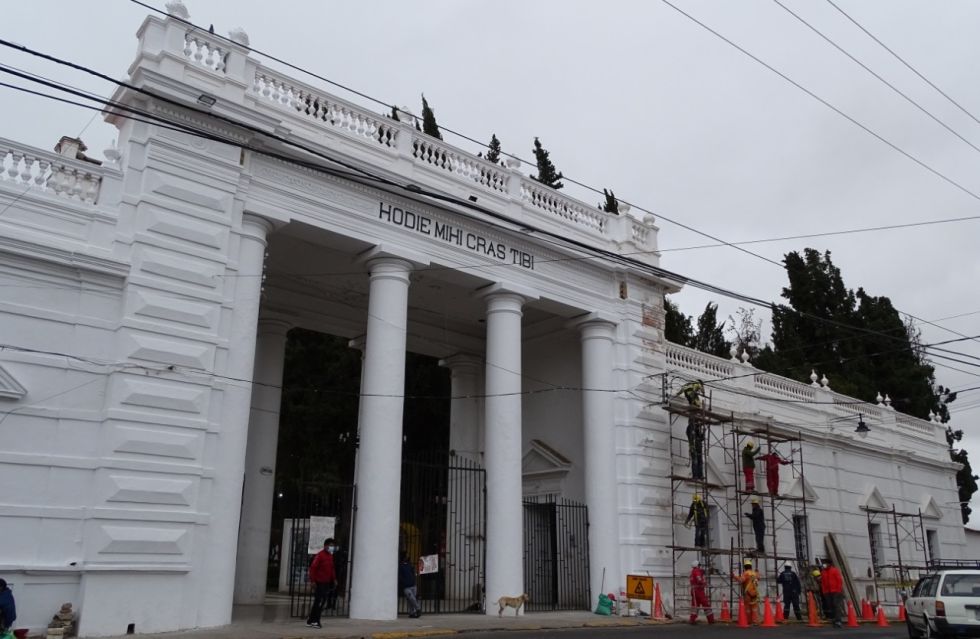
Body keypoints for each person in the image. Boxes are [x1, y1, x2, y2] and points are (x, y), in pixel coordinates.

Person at [306, 538, 337, 629]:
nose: (332, 547)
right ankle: (316, 621)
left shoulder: (330, 556)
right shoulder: (320, 555)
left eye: (333, 546)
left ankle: (310, 620)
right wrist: (312, 581)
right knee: (320, 602)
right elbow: (312, 568)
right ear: (325, 546)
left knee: (319, 601)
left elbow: (331, 569)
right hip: (319, 583)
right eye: (330, 545)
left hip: (326, 582)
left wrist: (334, 579)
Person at [733, 559, 760, 625]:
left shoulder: (746, 573)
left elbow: (741, 580)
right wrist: (758, 572)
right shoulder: (754, 573)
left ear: (745, 567)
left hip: (748, 593)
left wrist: (734, 576)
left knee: (747, 608)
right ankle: (755, 621)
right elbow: (758, 578)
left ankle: (749, 621)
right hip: (755, 593)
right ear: (750, 566)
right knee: (754, 608)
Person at [820, 558, 845, 628]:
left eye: (825, 563)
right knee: (830, 606)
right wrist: (824, 591)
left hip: (835, 591)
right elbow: (823, 582)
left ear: (829, 564)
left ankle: (838, 620)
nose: (824, 565)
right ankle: (834, 619)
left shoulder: (834, 570)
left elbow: (839, 580)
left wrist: (839, 589)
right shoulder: (823, 572)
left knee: (836, 605)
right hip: (827, 592)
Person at [689, 559, 715, 624]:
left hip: (694, 590)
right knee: (705, 604)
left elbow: (701, 573)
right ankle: (711, 619)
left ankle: (692, 620)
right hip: (699, 590)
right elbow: (699, 580)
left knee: (695, 605)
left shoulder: (693, 571)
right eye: (699, 565)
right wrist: (705, 583)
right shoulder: (697, 571)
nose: (700, 566)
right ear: (697, 565)